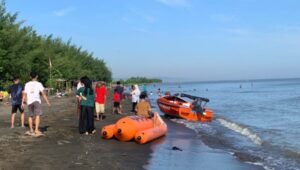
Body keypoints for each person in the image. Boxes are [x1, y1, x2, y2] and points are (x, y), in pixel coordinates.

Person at [22, 72, 50, 136]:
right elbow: (43, 93)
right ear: (37, 76)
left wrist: (24, 102)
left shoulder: (27, 84)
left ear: (30, 77)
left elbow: (25, 93)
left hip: (29, 101)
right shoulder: (39, 84)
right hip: (36, 101)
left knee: (30, 116)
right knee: (38, 115)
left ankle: (31, 129)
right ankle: (36, 130)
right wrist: (47, 101)